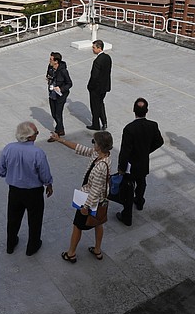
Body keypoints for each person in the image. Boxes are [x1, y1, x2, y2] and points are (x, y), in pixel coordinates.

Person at [48, 129, 113, 263]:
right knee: (98, 223)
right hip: (99, 200)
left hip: (90, 200)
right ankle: (97, 250)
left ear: (99, 145)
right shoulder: (101, 155)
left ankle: (71, 253)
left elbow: (95, 189)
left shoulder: (101, 165)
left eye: (94, 141)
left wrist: (86, 206)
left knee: (77, 225)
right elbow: (80, 148)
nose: (92, 144)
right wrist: (61, 140)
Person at [0, 122, 54, 256]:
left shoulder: (8, 148)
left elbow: (1, 170)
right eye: (36, 133)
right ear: (30, 137)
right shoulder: (38, 153)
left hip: (14, 190)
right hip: (33, 192)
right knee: (35, 219)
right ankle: (32, 246)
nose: (37, 134)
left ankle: (10, 244)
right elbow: (44, 173)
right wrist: (49, 184)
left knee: (13, 218)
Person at [115, 98, 164, 226]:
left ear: (133, 110)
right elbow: (159, 142)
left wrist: (121, 167)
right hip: (143, 161)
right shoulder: (153, 125)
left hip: (131, 164)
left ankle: (127, 215)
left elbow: (125, 151)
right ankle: (140, 201)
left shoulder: (129, 129)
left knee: (129, 187)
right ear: (146, 111)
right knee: (141, 182)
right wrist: (146, 151)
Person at [86, 39, 111, 131]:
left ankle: (95, 124)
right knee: (100, 104)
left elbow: (94, 76)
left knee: (95, 106)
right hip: (104, 87)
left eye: (94, 47)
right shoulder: (108, 58)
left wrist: (90, 86)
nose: (92, 49)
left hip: (96, 88)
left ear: (99, 48)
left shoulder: (97, 61)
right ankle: (104, 122)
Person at [46, 52, 72, 137]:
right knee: (54, 113)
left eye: (51, 59)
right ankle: (60, 129)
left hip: (61, 95)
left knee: (58, 113)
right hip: (52, 94)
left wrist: (61, 89)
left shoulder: (63, 71)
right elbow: (48, 75)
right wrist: (48, 79)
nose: (49, 60)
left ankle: (58, 131)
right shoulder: (50, 67)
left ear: (56, 61)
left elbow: (69, 83)